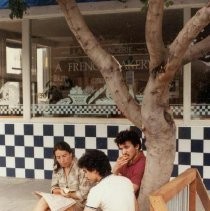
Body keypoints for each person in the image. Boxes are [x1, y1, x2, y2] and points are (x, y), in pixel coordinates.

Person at [33, 141, 94, 211]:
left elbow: (83, 195)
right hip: (62, 199)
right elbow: (53, 187)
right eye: (58, 157)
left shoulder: (81, 168)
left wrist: (69, 195)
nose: (62, 160)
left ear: (71, 154)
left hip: (78, 203)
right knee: (44, 200)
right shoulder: (57, 168)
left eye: (64, 156)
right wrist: (60, 191)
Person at [112, 129, 146, 198]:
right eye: (121, 149)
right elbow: (112, 181)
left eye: (126, 147)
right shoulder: (126, 160)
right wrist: (115, 168)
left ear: (137, 146)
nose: (124, 152)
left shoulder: (142, 164)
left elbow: (131, 191)